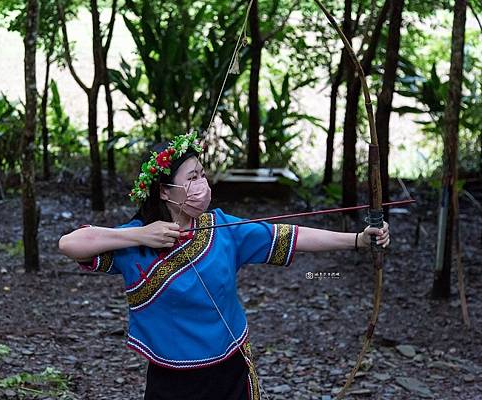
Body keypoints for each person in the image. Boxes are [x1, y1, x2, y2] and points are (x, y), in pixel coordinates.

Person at [58, 132, 390, 400]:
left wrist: (358, 239)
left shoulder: (222, 229)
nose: (202, 184)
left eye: (202, 174)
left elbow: (291, 235)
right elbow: (70, 244)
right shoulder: (136, 241)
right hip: (170, 379)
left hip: (229, 372)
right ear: (164, 191)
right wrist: (138, 235)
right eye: (191, 178)